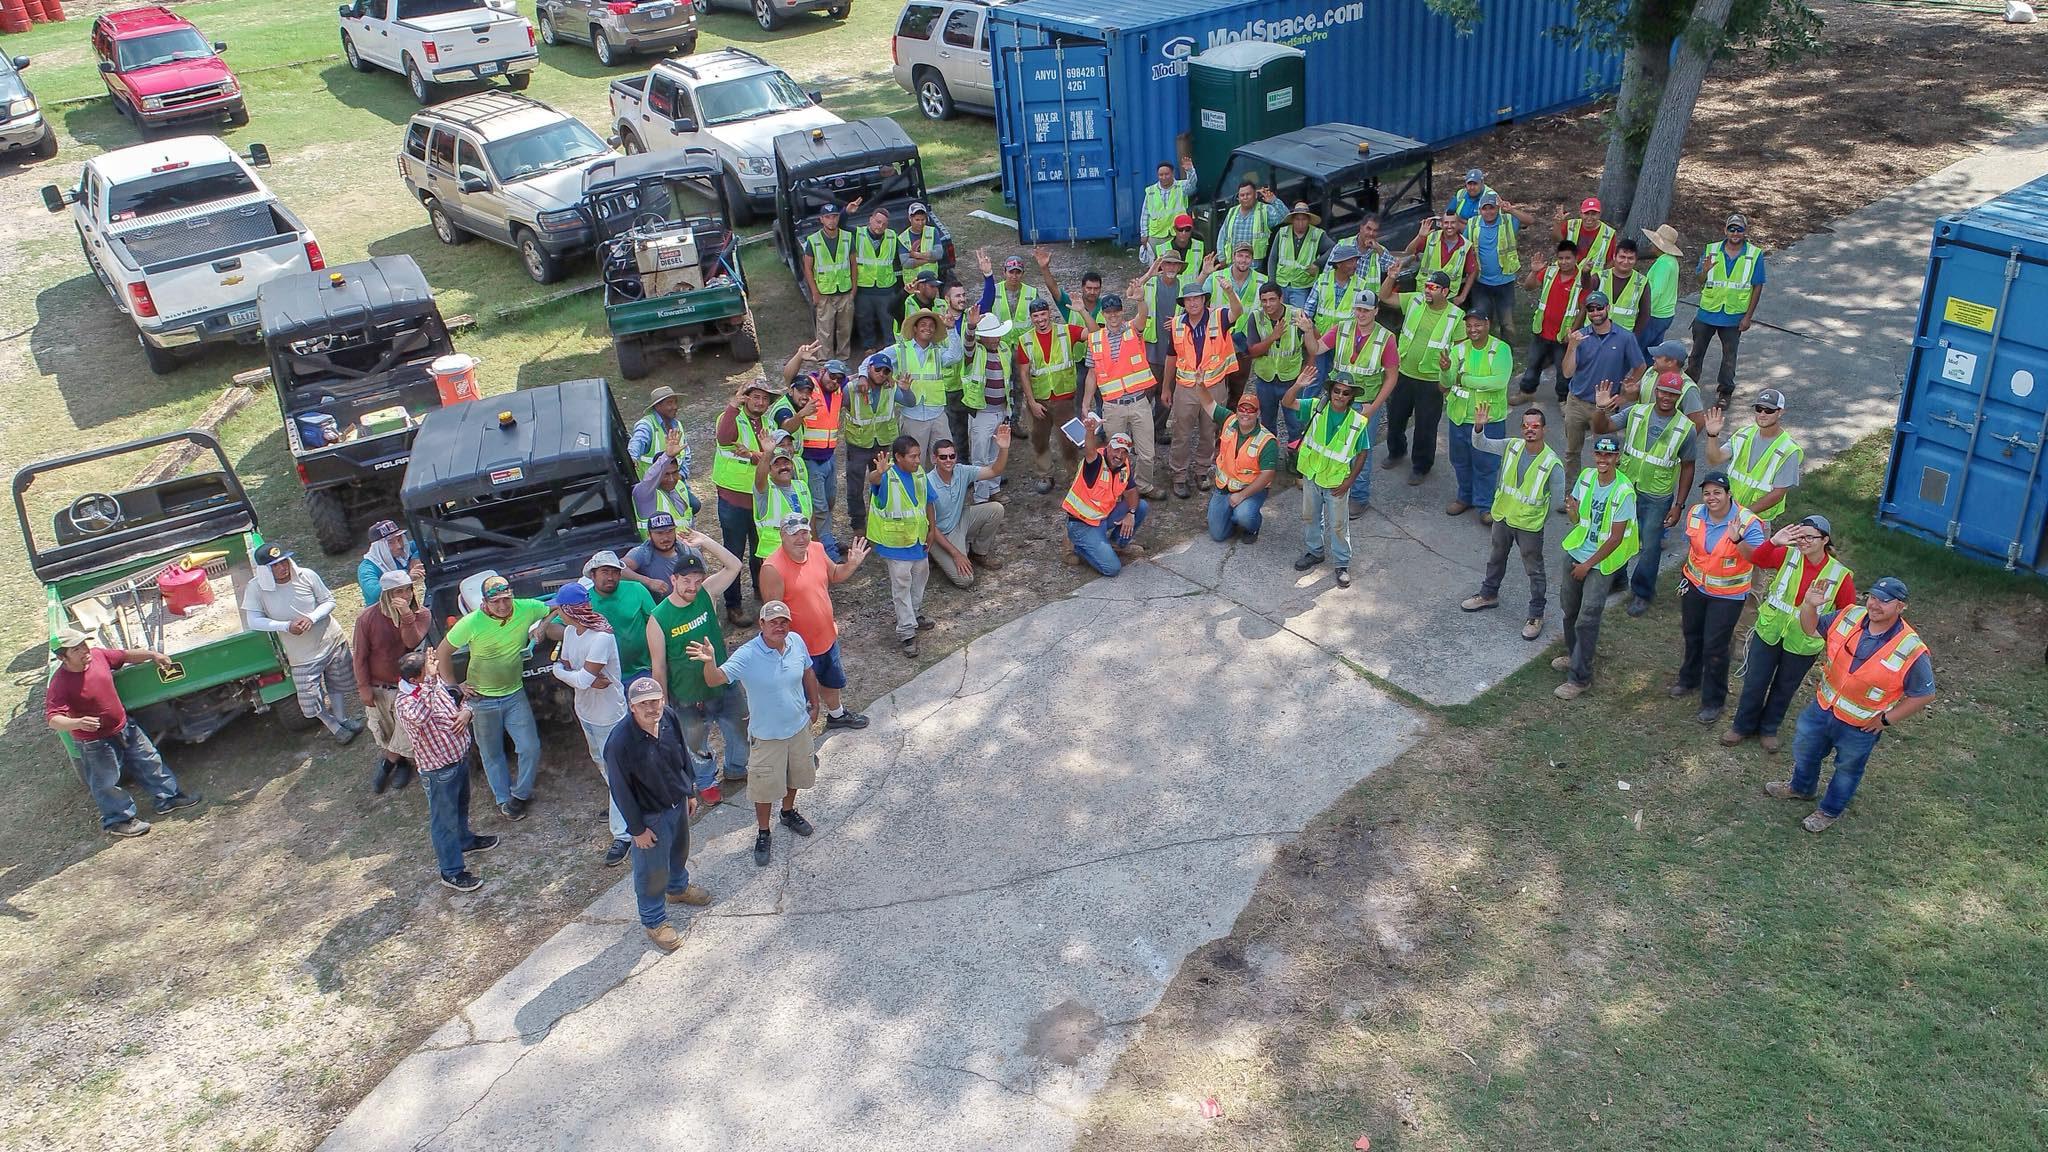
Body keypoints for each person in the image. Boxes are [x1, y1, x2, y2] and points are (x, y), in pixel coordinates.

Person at [1768, 577, 1934, 832]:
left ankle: (1829, 810)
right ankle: (1801, 788)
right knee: (1805, 748)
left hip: (1860, 725)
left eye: (1884, 601)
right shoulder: (1850, 615)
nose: (1875, 605)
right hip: (1823, 707)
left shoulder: (1911, 648)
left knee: (1847, 769)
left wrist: (1887, 719)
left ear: (1901, 607)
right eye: (1873, 597)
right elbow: (1810, 629)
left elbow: (1924, 694)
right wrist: (1809, 606)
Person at [690, 600, 826, 867]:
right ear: (761, 624)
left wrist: (815, 703)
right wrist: (709, 662)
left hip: (798, 728)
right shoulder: (747, 654)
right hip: (766, 736)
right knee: (763, 791)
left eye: (783, 621)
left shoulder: (796, 641)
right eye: (772, 621)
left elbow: (808, 671)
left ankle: (787, 813)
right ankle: (764, 832)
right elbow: (715, 679)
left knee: (794, 775)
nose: (779, 626)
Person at [45, 628, 199, 837]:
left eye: (84, 645)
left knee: (149, 760)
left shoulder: (98, 655)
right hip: (95, 742)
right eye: (76, 649)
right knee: (106, 781)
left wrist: (152, 655)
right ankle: (118, 820)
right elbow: (54, 719)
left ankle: (168, 798)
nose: (84, 650)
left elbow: (125, 655)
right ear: (63, 657)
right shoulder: (60, 683)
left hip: (124, 726)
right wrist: (77, 722)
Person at [1724, 516, 1856, 751]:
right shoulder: (1788, 554)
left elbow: (1847, 613)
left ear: (1824, 540)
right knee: (1756, 681)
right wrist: (1774, 541)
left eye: (1809, 537)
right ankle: (1742, 725)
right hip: (1770, 630)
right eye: (1800, 536)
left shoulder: (1840, 575)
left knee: (1785, 687)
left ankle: (1769, 728)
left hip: (1803, 642)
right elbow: (1758, 559)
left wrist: (1826, 635)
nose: (1802, 541)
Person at [603, 677, 710, 952]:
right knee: (651, 871)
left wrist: (689, 791)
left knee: (679, 850)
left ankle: (677, 889)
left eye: (655, 700)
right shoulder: (619, 743)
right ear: (631, 707)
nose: (652, 708)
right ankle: (653, 921)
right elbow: (620, 790)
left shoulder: (668, 717)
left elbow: (682, 756)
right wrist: (637, 830)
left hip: (677, 802)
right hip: (650, 817)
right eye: (643, 703)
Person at [435, 575, 551, 819]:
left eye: (506, 599)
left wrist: (541, 627)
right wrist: (453, 686)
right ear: (484, 602)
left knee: (530, 747)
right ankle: (503, 798)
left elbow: (557, 605)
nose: (502, 606)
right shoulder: (471, 622)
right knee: (492, 754)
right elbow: (443, 652)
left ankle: (518, 796)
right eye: (495, 601)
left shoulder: (526, 608)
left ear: (512, 595)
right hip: (481, 699)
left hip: (514, 693)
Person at [647, 532, 750, 809]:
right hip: (688, 696)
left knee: (741, 729)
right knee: (696, 745)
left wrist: (705, 542)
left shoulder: (708, 594)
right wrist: (663, 707)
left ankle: (737, 767)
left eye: (697, 580)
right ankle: (706, 782)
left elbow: (734, 566)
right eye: (686, 581)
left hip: (722, 683)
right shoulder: (658, 619)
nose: (692, 586)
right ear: (673, 580)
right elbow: (658, 666)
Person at [1593, 371, 1698, 616]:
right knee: (1618, 535)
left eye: (1672, 394)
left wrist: (1679, 505)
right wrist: (1600, 409)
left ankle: (1642, 592)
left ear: (1678, 396)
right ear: (1655, 391)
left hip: (1658, 495)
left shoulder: (1686, 428)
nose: (1666, 397)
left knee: (1650, 546)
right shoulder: (1636, 413)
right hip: (1627, 488)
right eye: (1662, 391)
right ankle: (1617, 579)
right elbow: (1602, 428)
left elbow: (1688, 466)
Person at [393, 649, 496, 892]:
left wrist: (467, 712)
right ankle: (451, 872)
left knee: (461, 808)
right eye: (429, 671)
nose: (436, 672)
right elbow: (420, 716)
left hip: (458, 760)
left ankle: (465, 840)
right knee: (444, 823)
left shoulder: (433, 683)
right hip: (439, 772)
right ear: (415, 679)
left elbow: (457, 699)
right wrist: (429, 682)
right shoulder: (405, 702)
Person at [759, 513, 872, 729]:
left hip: (827, 637)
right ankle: (801, 743)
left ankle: (836, 715)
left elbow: (836, 575)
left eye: (805, 533)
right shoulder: (772, 569)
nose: (801, 539)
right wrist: (784, 650)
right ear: (782, 535)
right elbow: (773, 617)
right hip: (798, 649)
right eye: (794, 534)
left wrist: (853, 563)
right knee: (799, 697)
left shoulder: (817, 550)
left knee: (832, 680)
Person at [1670, 469, 1765, 723]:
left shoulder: (1747, 522)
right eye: (1707, 493)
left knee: (1715, 646)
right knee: (1692, 634)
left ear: (1728, 494)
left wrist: (1738, 540)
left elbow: (1756, 559)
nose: (1712, 498)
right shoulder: (1695, 514)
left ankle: (1714, 700)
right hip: (1694, 586)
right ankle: (1689, 679)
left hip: (1728, 595)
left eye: (1717, 492)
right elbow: (1695, 549)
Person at [1460, 405, 1562, 642]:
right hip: (1503, 516)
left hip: (1529, 526)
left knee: (1534, 571)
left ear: (1544, 429)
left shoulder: (1552, 463)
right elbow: (1481, 444)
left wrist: (1538, 520)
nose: (1530, 430)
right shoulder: (1512, 446)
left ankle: (1536, 615)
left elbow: (1557, 502)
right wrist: (1478, 427)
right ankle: (1488, 595)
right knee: (1495, 558)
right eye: (1526, 426)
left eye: (1535, 426)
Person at [241, 541, 361, 743]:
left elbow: (329, 601)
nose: (282, 568)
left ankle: (342, 718)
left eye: (284, 561)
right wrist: (285, 626)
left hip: (330, 641)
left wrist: (311, 618)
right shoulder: (256, 589)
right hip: (302, 656)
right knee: (310, 699)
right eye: (275, 566)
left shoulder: (307, 575)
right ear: (264, 571)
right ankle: (332, 725)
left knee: (338, 683)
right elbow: (253, 621)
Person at [550, 582, 632, 867]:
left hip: (609, 715)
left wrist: (567, 674)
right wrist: (570, 674)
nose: (557, 613)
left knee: (617, 771)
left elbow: (581, 678)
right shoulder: (572, 631)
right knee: (602, 763)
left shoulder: (602, 638)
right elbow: (567, 668)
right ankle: (621, 804)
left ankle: (622, 834)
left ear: (569, 610)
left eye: (560, 608)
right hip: (585, 712)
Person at [1552, 434, 1639, 700]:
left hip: (1601, 563)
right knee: (1569, 609)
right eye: (1599, 454)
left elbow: (1614, 538)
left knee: (1587, 617)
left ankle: (1580, 678)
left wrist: (1587, 565)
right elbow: (1577, 519)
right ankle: (1573, 653)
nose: (1603, 460)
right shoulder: (1587, 477)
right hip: (1577, 549)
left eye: (1609, 455)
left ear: (1617, 458)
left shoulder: (1624, 492)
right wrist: (1571, 509)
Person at [713, 376, 800, 625]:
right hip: (734, 498)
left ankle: (761, 591)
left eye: (765, 398)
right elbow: (724, 438)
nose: (760, 402)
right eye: (756, 396)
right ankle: (734, 605)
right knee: (734, 553)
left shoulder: (768, 422)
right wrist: (732, 405)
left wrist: (754, 455)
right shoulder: (730, 417)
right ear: (746, 397)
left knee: (759, 552)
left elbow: (775, 454)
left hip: (760, 498)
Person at [1375, 265, 1466, 488]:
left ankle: (1421, 466)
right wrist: (1392, 276)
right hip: (1403, 373)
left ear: (1445, 291)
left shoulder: (1456, 316)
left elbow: (1462, 350)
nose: (1427, 290)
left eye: (1433, 287)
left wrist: (1451, 374)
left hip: (1431, 381)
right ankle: (1396, 452)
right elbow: (1384, 296)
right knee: (1395, 417)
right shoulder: (1415, 300)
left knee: (1426, 427)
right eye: (1426, 285)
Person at [1283, 361, 1371, 588]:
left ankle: (1342, 564)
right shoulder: (1315, 407)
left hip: (1337, 482)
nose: (1340, 396)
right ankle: (1315, 552)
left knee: (1339, 524)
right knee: (1310, 516)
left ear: (1351, 397)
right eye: (1337, 391)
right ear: (1330, 392)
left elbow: (1363, 452)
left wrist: (1350, 481)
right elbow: (1287, 402)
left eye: (1345, 393)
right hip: (1312, 476)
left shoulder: (1357, 422)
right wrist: (1298, 384)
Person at [1557, 290, 1648, 492]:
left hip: (1605, 407)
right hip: (1577, 402)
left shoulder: (1625, 337)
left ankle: (1605, 490)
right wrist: (1572, 346)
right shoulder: (1581, 338)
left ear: (1608, 308)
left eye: (1599, 307)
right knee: (1572, 451)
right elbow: (1567, 372)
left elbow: (1640, 366)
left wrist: (1624, 395)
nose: (1596, 312)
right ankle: (1571, 492)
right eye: (1591, 309)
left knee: (1606, 451)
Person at [1316, 291, 1397, 513]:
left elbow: (1392, 376)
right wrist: (1306, 330)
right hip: (1338, 400)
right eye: (1358, 309)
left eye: (1366, 310)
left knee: (1361, 452)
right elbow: (1316, 349)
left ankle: (1359, 498)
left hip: (1364, 403)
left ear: (1376, 311)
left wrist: (1374, 406)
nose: (1360, 314)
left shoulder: (1386, 338)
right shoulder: (1342, 328)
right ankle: (1333, 484)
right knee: (1333, 445)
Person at [1079, 287, 1163, 499]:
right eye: (1109, 312)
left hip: (1139, 402)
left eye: (1117, 311)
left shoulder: (1132, 330)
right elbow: (1092, 374)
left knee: (1147, 453)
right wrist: (1086, 403)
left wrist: (1141, 301)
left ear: (1122, 312)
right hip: (1112, 406)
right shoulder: (1095, 339)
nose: (1113, 315)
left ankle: (1144, 486)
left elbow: (1142, 316)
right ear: (1103, 315)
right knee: (1113, 452)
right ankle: (1115, 489)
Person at [353, 569, 428, 794]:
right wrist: (364, 687)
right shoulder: (367, 618)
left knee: (405, 730)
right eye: (398, 591)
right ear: (387, 594)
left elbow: (411, 641)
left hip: (406, 686)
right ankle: (401, 763)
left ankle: (386, 765)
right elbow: (359, 656)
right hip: (379, 685)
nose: (405, 595)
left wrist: (406, 617)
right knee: (385, 730)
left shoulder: (421, 614)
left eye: (408, 590)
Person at [1440, 309, 1514, 521]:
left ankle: (1485, 506)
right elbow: (1446, 383)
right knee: (1460, 461)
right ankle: (1465, 497)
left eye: (1478, 324)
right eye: (1469, 325)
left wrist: (1464, 379)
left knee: (1486, 464)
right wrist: (1445, 371)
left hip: (1489, 420)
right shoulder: (1459, 349)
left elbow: (1498, 381)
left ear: (1487, 324)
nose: (1473, 329)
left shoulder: (1500, 349)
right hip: (1459, 417)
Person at [1167, 275, 1235, 499]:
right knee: (1181, 433)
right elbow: (1171, 356)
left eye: (1197, 299)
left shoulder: (1220, 317)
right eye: (1188, 300)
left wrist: (1230, 292)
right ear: (1183, 304)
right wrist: (1166, 388)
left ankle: (1202, 471)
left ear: (1205, 300)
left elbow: (1238, 312)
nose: (1193, 303)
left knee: (1209, 431)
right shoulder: (1176, 324)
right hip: (1185, 388)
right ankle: (1179, 476)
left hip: (1213, 386)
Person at [867, 435, 936, 657]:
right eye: (913, 456)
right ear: (898, 457)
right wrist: (878, 472)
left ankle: (914, 614)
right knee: (902, 587)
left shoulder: (919, 474)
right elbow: (874, 480)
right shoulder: (887, 476)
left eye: (918, 455)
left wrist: (932, 530)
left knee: (920, 577)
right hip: (896, 544)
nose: (917, 460)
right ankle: (907, 632)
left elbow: (928, 502)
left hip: (918, 541)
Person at [1688, 213, 1766, 403]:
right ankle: (1688, 385)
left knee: (1729, 356)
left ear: (1745, 231)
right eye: (1732, 228)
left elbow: (1758, 286)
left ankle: (1725, 391)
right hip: (1707, 312)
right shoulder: (1711, 250)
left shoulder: (1754, 254)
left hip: (1733, 315)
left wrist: (1748, 317)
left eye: (1739, 229)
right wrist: (1704, 271)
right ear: (1725, 230)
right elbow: (1699, 280)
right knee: (1696, 353)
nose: (1735, 233)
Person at [782, 346, 848, 562]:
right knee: (819, 506)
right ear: (822, 371)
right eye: (831, 376)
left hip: (829, 458)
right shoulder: (811, 386)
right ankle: (828, 552)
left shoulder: (837, 388)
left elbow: (860, 375)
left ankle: (820, 538)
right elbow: (788, 376)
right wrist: (799, 356)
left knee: (829, 502)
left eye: (839, 378)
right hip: (810, 459)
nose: (834, 381)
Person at [1702, 388, 1802, 525]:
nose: (1762, 414)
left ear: (1780, 412)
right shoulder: (1744, 434)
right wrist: (1712, 435)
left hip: (1757, 520)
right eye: (1759, 409)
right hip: (1730, 512)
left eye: (1769, 410)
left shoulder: (1789, 450)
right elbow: (1714, 459)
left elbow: (1778, 494)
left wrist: (1743, 514)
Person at [1016, 296, 1085, 494]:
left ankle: (1074, 474)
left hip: (1064, 399)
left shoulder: (1066, 331)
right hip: (1039, 400)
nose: (1040, 319)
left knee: (1070, 440)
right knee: (1038, 438)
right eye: (1035, 316)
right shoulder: (1026, 340)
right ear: (1031, 318)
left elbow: (1095, 333)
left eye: (1043, 314)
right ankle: (1045, 474)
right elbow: (1024, 373)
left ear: (1050, 314)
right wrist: (1031, 402)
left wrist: (1082, 312)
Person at [1063, 419, 1148, 576]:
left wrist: (1131, 513)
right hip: (1083, 523)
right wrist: (1089, 431)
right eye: (1116, 450)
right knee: (1112, 568)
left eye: (1124, 452)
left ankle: (1116, 545)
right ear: (1108, 448)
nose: (1119, 455)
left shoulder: (1124, 466)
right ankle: (1076, 546)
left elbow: (1131, 492)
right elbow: (1089, 451)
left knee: (1141, 506)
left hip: (1103, 516)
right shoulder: (1095, 462)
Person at [927, 430, 1011, 586]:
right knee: (965, 580)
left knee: (996, 509)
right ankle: (935, 555)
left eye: (952, 456)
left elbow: (995, 471)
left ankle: (978, 552)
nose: (948, 460)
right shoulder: (927, 483)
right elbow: (930, 528)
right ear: (934, 459)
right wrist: (956, 554)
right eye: (943, 457)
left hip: (960, 520)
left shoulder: (961, 471)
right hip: (939, 535)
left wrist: (1003, 448)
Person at [1512, 240, 1585, 402]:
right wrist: (1533, 272)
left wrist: (1573, 331)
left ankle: (1564, 399)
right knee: (1533, 363)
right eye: (1561, 258)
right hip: (1542, 331)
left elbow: (1583, 308)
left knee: (1563, 370)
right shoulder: (1550, 272)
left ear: (1576, 259)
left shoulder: (1582, 280)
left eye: (1568, 258)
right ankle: (1526, 391)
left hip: (1563, 335)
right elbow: (1529, 287)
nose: (1564, 262)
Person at [1205, 387, 1278, 542]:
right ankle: (1232, 516)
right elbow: (1208, 403)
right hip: (1224, 487)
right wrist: (1199, 385)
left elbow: (1267, 475)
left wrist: (1241, 496)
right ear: (1237, 411)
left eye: (1251, 410)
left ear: (1258, 413)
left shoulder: (1267, 441)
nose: (1245, 413)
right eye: (1242, 409)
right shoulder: (1229, 420)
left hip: (1250, 490)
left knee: (1245, 516)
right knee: (1218, 535)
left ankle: (1252, 527)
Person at [843, 351, 903, 536]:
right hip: (858, 444)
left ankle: (878, 519)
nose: (881, 374)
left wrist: (905, 389)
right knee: (855, 487)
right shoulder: (852, 388)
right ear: (868, 369)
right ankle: (858, 524)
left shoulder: (889, 387)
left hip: (882, 443)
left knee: (880, 484)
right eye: (878, 369)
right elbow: (841, 403)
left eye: (886, 371)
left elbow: (910, 401)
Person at [962, 310, 1017, 503]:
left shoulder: (1004, 349)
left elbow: (1009, 380)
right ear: (982, 337)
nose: (995, 339)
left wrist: (1010, 410)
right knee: (979, 456)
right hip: (981, 411)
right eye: (991, 336)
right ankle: (980, 496)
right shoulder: (975, 351)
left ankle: (994, 489)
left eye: (997, 335)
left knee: (995, 452)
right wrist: (970, 326)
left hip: (1001, 409)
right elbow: (967, 346)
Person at [895, 303, 961, 459]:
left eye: (931, 325)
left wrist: (951, 329)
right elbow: (873, 361)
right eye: (923, 325)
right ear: (915, 329)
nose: (928, 328)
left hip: (937, 414)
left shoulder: (938, 351)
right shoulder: (900, 350)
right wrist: (863, 376)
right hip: (913, 416)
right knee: (914, 464)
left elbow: (956, 355)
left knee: (946, 459)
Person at [1246, 281, 1308, 446]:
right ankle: (1269, 456)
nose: (1268, 304)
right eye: (1264, 300)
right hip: (1265, 380)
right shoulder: (1256, 317)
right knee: (1267, 424)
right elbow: (1253, 351)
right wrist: (1273, 337)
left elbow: (1312, 343)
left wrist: (1305, 372)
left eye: (1272, 299)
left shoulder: (1297, 315)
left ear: (1281, 298)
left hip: (1291, 380)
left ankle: (1294, 457)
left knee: (1295, 424)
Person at [584, 549, 659, 681]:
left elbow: (658, 623)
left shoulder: (636, 589)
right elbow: (556, 627)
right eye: (605, 572)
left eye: (615, 572)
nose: (610, 577)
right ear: (592, 575)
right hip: (604, 678)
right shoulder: (583, 601)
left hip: (642, 671)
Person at [1468, 192, 1536, 333]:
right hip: (1481, 283)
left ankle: (1507, 352)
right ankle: (1486, 352)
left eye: (1492, 208)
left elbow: (1530, 220)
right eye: (1485, 209)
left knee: (1507, 324)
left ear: (1497, 208)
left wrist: (1511, 209)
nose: (1489, 212)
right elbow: (1462, 247)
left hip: (1505, 282)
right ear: (1480, 210)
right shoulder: (1472, 224)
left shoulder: (1508, 220)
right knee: (1482, 322)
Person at [802, 203, 856, 362]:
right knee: (824, 331)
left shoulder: (847, 238)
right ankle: (825, 362)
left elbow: (853, 264)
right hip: (824, 293)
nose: (831, 220)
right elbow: (808, 268)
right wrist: (815, 293)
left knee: (845, 329)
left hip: (845, 291)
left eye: (834, 216)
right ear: (821, 219)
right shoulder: (813, 241)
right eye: (828, 217)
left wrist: (854, 290)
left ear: (838, 218)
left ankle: (843, 359)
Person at [751, 436, 815, 570]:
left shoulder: (802, 486)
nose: (783, 467)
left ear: (792, 465)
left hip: (802, 551)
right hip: (775, 557)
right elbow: (759, 480)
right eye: (777, 464)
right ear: (769, 470)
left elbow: (810, 520)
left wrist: (816, 548)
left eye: (786, 463)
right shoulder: (765, 490)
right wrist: (768, 453)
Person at [1308, 242, 1366, 382]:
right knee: (1315, 378)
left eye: (1356, 261)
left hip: (1345, 343)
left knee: (1340, 380)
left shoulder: (1361, 285)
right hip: (1320, 338)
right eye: (1351, 261)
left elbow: (1363, 317)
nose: (1355, 265)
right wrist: (1314, 333)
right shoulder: (1322, 281)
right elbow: (1307, 311)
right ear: (1339, 264)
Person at [853, 205, 901, 352]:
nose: (880, 226)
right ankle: (869, 347)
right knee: (864, 319)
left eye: (884, 224)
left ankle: (891, 347)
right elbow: (840, 225)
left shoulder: (892, 236)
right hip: (864, 287)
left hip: (885, 288)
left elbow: (901, 256)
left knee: (888, 319)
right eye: (878, 222)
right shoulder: (858, 234)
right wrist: (847, 211)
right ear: (870, 220)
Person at [1406, 212, 1477, 307]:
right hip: (1425, 294)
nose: (1449, 226)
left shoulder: (1466, 246)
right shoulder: (1431, 237)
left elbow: (1473, 271)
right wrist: (1420, 236)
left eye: (1453, 223)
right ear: (1441, 224)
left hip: (1448, 298)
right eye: (1446, 223)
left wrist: (1463, 296)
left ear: (1458, 224)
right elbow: (1409, 252)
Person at [632, 431, 694, 538]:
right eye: (665, 474)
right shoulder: (645, 495)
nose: (671, 479)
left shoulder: (680, 486)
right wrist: (667, 456)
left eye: (674, 473)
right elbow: (650, 478)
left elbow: (688, 521)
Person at [1268, 202, 1327, 309]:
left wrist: (1318, 264)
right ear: (1293, 220)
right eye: (1297, 219)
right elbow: (1273, 258)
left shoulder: (1318, 234)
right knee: (1279, 316)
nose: (1300, 223)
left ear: (1309, 220)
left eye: (1304, 219)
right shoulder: (1282, 232)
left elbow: (1333, 249)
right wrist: (1272, 283)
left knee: (1298, 317)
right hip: (1281, 283)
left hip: (1302, 286)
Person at [1584, 238, 1647, 334]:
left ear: (1635, 260)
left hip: (1622, 336)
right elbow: (1586, 287)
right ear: (1614, 256)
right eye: (1622, 257)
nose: (1626, 261)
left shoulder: (1642, 282)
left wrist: (1634, 337)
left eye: (1630, 258)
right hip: (1594, 333)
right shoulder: (1600, 277)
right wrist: (1585, 273)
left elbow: (1644, 314)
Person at [1637, 224, 1684, 355]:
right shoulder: (1671, 261)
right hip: (1666, 314)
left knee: (1641, 350)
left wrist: (1644, 311)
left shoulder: (1663, 263)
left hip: (1655, 314)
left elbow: (1656, 291)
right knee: (1653, 351)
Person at [624, 511, 695, 598]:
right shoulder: (642, 553)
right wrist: (649, 582)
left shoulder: (688, 550)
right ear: (649, 534)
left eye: (669, 531)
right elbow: (619, 570)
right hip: (658, 608)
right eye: (659, 533)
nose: (665, 538)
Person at [1215, 177, 1284, 264]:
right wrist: (1221, 258)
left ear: (1255, 195)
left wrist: (1274, 201)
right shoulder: (1232, 211)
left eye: (1248, 194)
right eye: (1242, 195)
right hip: (1232, 265)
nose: (1245, 197)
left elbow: (1286, 218)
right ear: (1238, 198)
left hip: (1254, 267)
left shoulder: (1265, 210)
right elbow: (1222, 236)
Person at [629, 385, 691, 482]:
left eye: (675, 402)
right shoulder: (647, 425)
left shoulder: (677, 424)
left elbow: (685, 454)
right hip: (653, 488)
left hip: (676, 484)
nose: (675, 407)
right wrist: (632, 457)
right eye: (669, 403)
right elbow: (637, 441)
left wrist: (681, 476)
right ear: (657, 406)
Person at [1139, 159, 1196, 262]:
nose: (1164, 177)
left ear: (1172, 173)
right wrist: (1144, 235)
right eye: (1161, 175)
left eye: (1167, 174)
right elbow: (1145, 215)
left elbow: (1192, 185)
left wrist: (1190, 170)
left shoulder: (1181, 187)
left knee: (1173, 263)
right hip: (1156, 235)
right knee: (1155, 265)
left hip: (1175, 234)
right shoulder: (1151, 191)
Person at [355, 519, 421, 607]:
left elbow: (425, 543)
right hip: (382, 613)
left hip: (406, 607)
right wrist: (407, 578)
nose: (399, 546)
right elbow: (375, 592)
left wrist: (415, 557)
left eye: (399, 539)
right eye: (390, 542)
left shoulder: (402, 552)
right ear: (380, 546)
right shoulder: (367, 568)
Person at [1558, 196, 1615, 271]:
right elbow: (1556, 239)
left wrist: (1602, 277)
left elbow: (1611, 260)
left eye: (1593, 214)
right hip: (1567, 272)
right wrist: (1558, 224)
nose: (1589, 217)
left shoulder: (1609, 233)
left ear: (1599, 214)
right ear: (1580, 213)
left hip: (1591, 278)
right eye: (1586, 213)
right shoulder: (1571, 224)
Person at [898, 200, 943, 287]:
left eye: (923, 219)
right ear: (910, 218)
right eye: (917, 220)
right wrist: (929, 259)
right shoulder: (902, 238)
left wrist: (916, 255)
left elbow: (939, 254)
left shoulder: (933, 231)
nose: (920, 223)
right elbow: (906, 263)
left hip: (931, 281)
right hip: (912, 283)